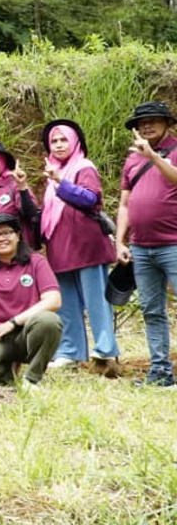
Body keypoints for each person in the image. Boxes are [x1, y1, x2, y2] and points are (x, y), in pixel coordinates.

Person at [38, 119, 120, 376]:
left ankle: (106, 350)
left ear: (75, 142)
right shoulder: (53, 172)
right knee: (67, 303)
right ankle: (70, 352)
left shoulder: (83, 167)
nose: (59, 145)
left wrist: (62, 182)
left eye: (64, 140)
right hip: (60, 247)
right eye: (54, 141)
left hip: (86, 245)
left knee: (96, 300)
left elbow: (91, 198)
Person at [0, 213, 63, 389]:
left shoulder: (35, 262)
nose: (1, 238)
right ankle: (8, 375)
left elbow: (54, 300)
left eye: (7, 233)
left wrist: (13, 323)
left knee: (49, 321)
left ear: (18, 235)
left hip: (28, 333)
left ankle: (32, 378)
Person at [116, 101, 177, 388]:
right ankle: (160, 373)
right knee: (152, 310)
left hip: (173, 245)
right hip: (141, 247)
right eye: (142, 123)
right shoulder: (132, 160)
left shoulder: (174, 151)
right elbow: (125, 203)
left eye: (153, 120)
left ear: (167, 123)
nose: (147, 126)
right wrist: (119, 241)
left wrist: (152, 156)